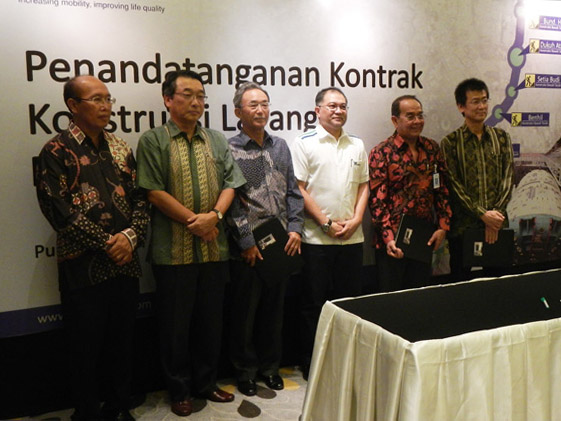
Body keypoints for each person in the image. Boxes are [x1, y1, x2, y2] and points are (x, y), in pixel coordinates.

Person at [35, 75, 149, 421]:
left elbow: (140, 199)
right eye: (96, 99)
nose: (105, 106)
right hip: (83, 269)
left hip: (125, 265)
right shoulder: (55, 151)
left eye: (108, 99)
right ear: (73, 106)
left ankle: (120, 406)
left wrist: (129, 238)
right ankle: (86, 412)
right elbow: (58, 210)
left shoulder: (120, 147)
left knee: (122, 344)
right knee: (84, 349)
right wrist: (107, 244)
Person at [135, 70, 245, 417]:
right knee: (174, 327)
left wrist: (213, 216)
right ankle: (179, 389)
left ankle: (207, 382)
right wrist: (194, 222)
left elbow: (231, 183)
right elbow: (153, 190)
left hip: (214, 248)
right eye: (187, 94)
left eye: (201, 95)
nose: (196, 101)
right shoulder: (154, 140)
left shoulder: (216, 139)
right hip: (173, 252)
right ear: (168, 99)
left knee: (210, 323)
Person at [227, 82, 304, 396]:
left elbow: (293, 192)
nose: (260, 110)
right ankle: (244, 372)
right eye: (253, 105)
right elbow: (231, 201)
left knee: (275, 313)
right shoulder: (229, 148)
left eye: (265, 104)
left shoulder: (280, 146)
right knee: (245, 314)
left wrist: (296, 229)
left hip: (281, 242)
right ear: (238, 111)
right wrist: (246, 242)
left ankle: (270, 368)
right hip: (249, 247)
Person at [291, 87, 369, 378]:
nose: (339, 111)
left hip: (352, 237)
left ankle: (346, 361)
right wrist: (325, 222)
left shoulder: (356, 144)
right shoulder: (304, 143)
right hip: (316, 239)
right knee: (314, 304)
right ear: (318, 111)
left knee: (348, 304)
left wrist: (357, 218)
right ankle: (313, 363)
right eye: (332, 106)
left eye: (343, 106)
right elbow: (298, 188)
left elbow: (363, 185)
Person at [369, 95, 452, 291]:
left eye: (420, 115)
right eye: (410, 116)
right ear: (395, 120)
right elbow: (377, 202)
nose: (417, 121)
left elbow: (441, 189)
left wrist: (443, 226)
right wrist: (389, 238)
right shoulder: (381, 152)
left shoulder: (432, 148)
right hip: (392, 241)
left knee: (419, 298)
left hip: (423, 238)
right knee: (393, 301)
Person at [441, 78, 514, 281]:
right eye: (475, 101)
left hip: (497, 227)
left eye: (484, 100)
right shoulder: (451, 143)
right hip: (464, 228)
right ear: (461, 106)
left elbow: (508, 178)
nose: (482, 106)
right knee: (461, 289)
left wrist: (494, 218)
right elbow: (454, 185)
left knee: (497, 288)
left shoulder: (501, 138)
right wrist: (483, 215)